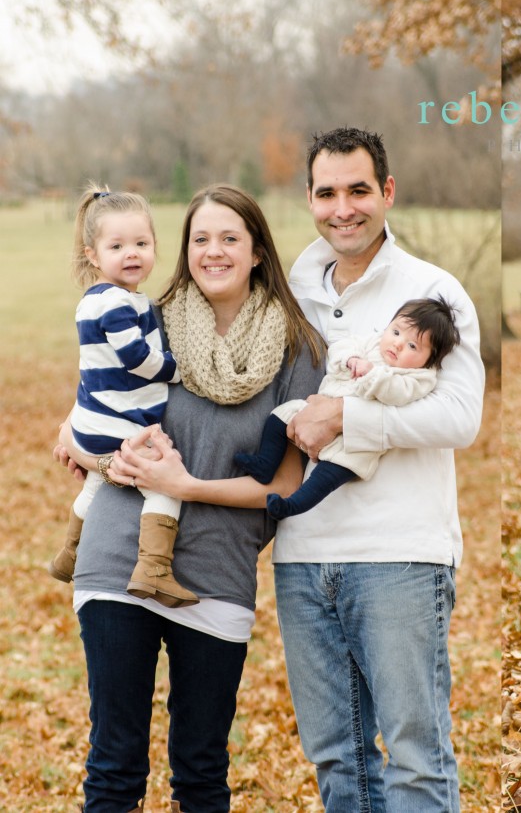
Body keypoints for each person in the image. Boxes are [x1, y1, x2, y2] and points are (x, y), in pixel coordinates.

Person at [56, 184, 325, 812]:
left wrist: (186, 487)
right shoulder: (147, 319)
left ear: (257, 250)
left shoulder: (299, 348)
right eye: (200, 238)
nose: (213, 251)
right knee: (114, 765)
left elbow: (283, 487)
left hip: (218, 572)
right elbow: (94, 400)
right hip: (118, 555)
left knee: (201, 773)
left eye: (230, 237)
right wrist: (76, 436)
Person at [274, 127, 485, 811]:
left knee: (416, 756)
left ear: (387, 192)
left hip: (400, 553)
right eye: (327, 192)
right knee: (339, 759)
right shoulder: (290, 291)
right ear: (309, 198)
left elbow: (459, 416)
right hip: (303, 555)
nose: (344, 208)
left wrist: (348, 418)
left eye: (359, 190)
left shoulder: (433, 291)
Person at [48, 186, 196, 608]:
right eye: (117, 246)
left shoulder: (106, 298)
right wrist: (175, 369)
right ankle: (153, 569)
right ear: (92, 254)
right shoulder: (114, 301)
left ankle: (70, 552)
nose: (131, 253)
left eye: (141, 244)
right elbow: (134, 357)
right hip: (117, 423)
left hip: (94, 420)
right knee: (166, 486)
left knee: (95, 484)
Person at [236, 295, 461, 519]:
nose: (398, 344)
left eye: (413, 345)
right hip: (315, 409)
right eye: (396, 331)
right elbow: (341, 347)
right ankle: (265, 463)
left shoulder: (419, 377)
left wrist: (372, 374)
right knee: (280, 416)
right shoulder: (370, 343)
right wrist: (350, 359)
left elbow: (398, 393)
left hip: (354, 446)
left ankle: (290, 506)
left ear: (429, 360)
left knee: (324, 478)